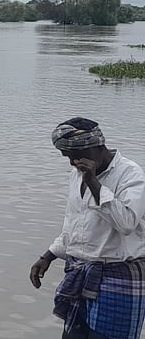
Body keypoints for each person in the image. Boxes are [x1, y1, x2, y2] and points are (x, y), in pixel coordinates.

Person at [30, 117, 145, 338]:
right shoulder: (77, 175)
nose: (74, 162)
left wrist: (94, 183)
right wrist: (48, 256)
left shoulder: (130, 175)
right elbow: (75, 226)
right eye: (69, 158)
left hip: (119, 278)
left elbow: (127, 223)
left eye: (78, 155)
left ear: (98, 146)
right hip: (81, 273)